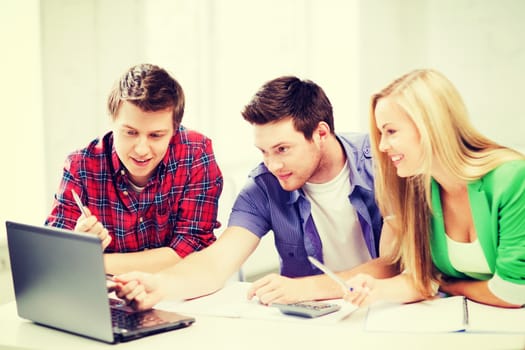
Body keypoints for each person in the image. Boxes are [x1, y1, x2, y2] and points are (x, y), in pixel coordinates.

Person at [115, 75, 398, 310]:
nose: (273, 164)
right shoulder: (264, 185)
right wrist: (161, 286)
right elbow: (217, 262)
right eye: (264, 151)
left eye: (282, 149)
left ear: (320, 134)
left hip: (390, 310)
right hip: (317, 323)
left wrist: (304, 288)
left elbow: (396, 263)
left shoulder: (384, 163)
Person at [343, 68, 525, 308]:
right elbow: (422, 278)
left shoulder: (511, 178)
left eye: (391, 131)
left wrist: (450, 286)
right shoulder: (420, 187)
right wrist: (376, 288)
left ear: (430, 126)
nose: (383, 145)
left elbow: (513, 292)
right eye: (380, 133)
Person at [46, 63, 223, 275]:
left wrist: (93, 261)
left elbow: (193, 247)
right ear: (112, 121)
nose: (141, 150)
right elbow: (55, 258)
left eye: (156, 135)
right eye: (130, 132)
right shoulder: (80, 166)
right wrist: (77, 245)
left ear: (174, 130)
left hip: (178, 291)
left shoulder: (196, 153)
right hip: (110, 297)